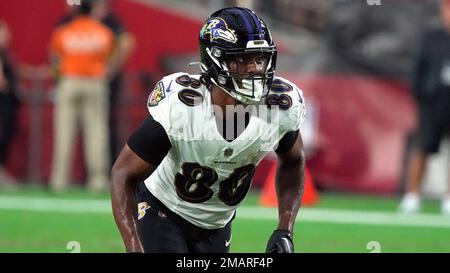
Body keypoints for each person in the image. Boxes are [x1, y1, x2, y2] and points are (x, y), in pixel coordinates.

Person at [111, 7, 307, 253]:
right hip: (163, 210)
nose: (256, 69)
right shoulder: (183, 107)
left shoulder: (279, 107)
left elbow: (294, 161)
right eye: (243, 59)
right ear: (215, 60)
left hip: (217, 224)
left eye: (260, 58)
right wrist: (133, 246)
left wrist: (285, 229)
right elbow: (123, 174)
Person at [48, 1, 114, 192]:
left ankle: (59, 181)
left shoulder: (63, 31)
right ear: (92, 10)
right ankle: (98, 181)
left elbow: (54, 59)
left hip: (69, 82)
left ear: (77, 10)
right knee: (97, 132)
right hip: (95, 82)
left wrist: (59, 77)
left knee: (64, 132)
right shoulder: (104, 32)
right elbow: (110, 57)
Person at [399, 0, 450, 215]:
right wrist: (422, 96)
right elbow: (418, 70)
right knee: (422, 147)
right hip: (432, 102)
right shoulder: (432, 37)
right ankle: (412, 195)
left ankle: (448, 198)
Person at [0, 20, 19, 185]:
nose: (8, 35)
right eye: (4, 32)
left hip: (7, 103)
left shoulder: (5, 53)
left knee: (5, 136)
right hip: (2, 102)